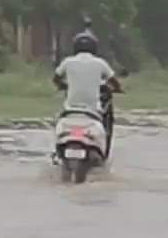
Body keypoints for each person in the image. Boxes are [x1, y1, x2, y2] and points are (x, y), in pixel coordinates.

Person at [53, 26, 124, 157]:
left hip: (70, 110)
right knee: (103, 123)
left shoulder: (68, 62)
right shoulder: (100, 63)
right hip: (92, 111)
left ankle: (56, 153)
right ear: (94, 47)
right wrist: (118, 89)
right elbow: (114, 81)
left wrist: (63, 85)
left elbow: (56, 78)